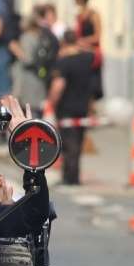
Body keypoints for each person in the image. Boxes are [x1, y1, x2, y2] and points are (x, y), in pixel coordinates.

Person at [46, 29, 94, 186]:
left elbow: (58, 86)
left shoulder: (63, 62)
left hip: (66, 106)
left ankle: (70, 177)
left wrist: (51, 102)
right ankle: (75, 175)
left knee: (68, 143)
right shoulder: (87, 59)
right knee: (78, 142)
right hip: (83, 105)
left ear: (64, 43)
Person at [10, 4, 57, 114]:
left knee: (29, 114)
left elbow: (28, 59)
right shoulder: (41, 37)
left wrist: (17, 50)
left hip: (28, 82)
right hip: (38, 79)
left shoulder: (26, 38)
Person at [73, 0, 102, 103]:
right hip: (81, 52)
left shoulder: (94, 15)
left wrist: (83, 41)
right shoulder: (79, 16)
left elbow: (97, 36)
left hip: (92, 53)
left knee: (92, 86)